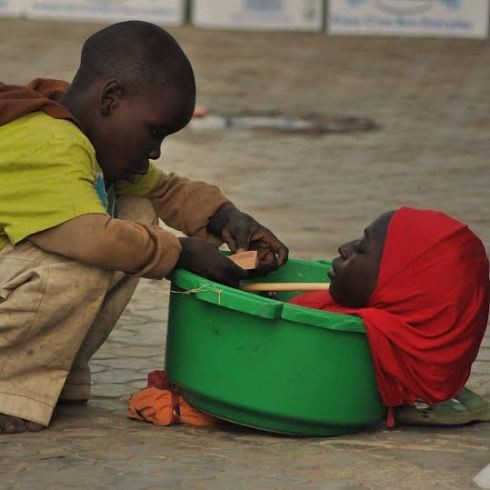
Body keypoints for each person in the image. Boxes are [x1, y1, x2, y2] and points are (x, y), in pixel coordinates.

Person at [0, 21, 288, 433]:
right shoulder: (49, 143)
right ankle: (8, 387)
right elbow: (91, 238)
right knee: (97, 249)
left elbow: (164, 190)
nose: (155, 150)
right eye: (154, 132)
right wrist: (180, 253)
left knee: (134, 211)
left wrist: (226, 218)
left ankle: (47, 376)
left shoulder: (83, 130)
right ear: (112, 98)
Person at [291, 207, 489, 426]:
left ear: (400, 287)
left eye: (361, 250)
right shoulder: (422, 349)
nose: (344, 248)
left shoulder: (370, 331)